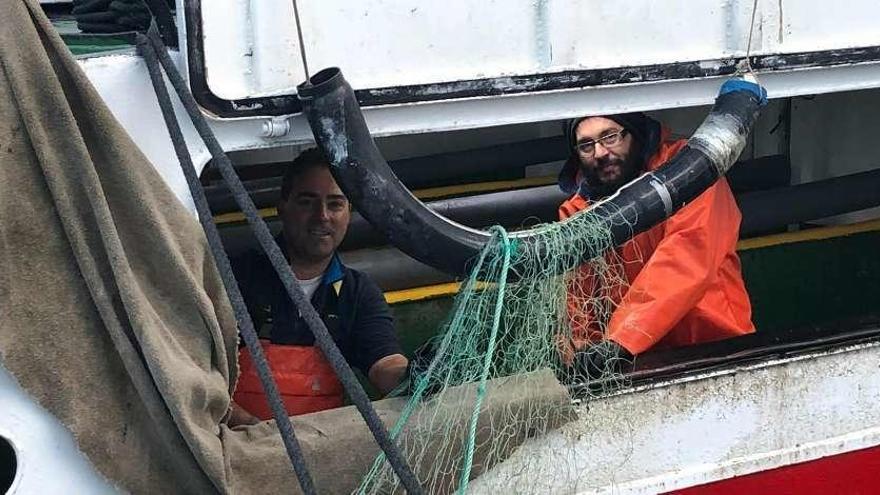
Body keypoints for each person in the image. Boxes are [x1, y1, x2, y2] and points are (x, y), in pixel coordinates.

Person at [556, 112, 755, 378]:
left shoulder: (689, 171)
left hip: (715, 349)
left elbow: (687, 257)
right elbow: (580, 296)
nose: (600, 152)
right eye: (586, 145)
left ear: (634, 132)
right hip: (636, 362)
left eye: (610, 136)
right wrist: (584, 350)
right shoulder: (577, 212)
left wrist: (618, 342)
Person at [228, 148, 408, 424]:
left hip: (321, 453)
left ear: (349, 212)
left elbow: (385, 364)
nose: (322, 215)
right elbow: (199, 377)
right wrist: (260, 436)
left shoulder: (358, 292)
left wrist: (420, 376)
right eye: (307, 202)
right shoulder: (235, 276)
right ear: (282, 207)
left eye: (335, 204)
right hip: (237, 447)